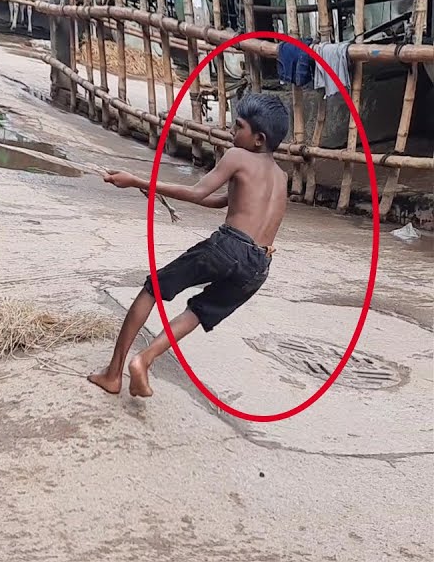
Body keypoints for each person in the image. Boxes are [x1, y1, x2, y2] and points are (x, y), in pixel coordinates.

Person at [88, 93, 291, 397]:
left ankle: (113, 374)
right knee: (197, 311)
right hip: (259, 266)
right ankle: (144, 360)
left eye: (238, 127)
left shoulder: (238, 156)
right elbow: (222, 201)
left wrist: (138, 182)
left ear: (258, 139)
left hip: (230, 247)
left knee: (153, 288)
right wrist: (158, 192)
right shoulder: (281, 177)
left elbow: (197, 193)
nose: (232, 132)